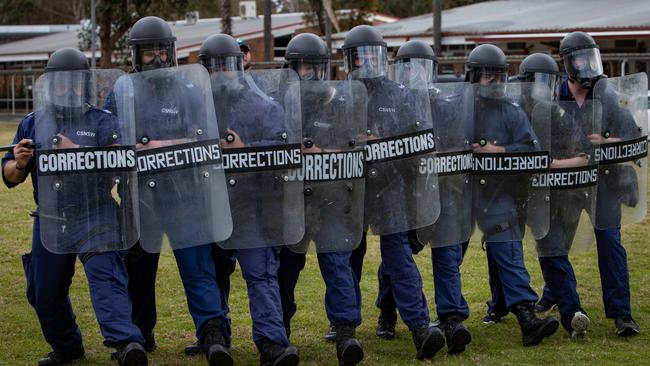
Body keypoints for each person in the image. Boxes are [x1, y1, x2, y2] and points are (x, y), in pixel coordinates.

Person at [2, 47, 148, 365]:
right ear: (49, 85)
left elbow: (121, 166)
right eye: (61, 82)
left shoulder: (103, 122)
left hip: (96, 212)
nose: (68, 89)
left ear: (84, 84)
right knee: (43, 292)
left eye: (75, 82)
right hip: (51, 216)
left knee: (105, 275)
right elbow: (10, 176)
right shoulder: (32, 123)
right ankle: (67, 347)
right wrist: (21, 162)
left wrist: (78, 150)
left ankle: (127, 344)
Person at [106, 16, 233, 366]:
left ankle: (212, 333)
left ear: (173, 51)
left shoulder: (190, 88)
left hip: (186, 196)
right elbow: (108, 135)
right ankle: (139, 333)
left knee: (197, 266)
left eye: (163, 50)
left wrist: (164, 143)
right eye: (149, 53)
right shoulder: (122, 90)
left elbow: (205, 135)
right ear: (136, 55)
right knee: (139, 269)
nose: (158, 58)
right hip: (140, 198)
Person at [343, 25, 445, 360]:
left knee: (399, 256)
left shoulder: (400, 95)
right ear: (348, 60)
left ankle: (419, 327)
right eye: (358, 56)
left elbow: (418, 141)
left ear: (381, 57)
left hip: (390, 186)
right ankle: (345, 327)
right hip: (353, 187)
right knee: (348, 258)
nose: (364, 63)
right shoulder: (342, 96)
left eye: (370, 55)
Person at [198, 33, 300, 366]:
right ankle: (215, 338)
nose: (220, 74)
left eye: (225, 66)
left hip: (250, 205)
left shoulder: (263, 106)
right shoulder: (195, 108)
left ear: (238, 66)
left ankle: (272, 344)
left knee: (260, 273)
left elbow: (282, 151)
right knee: (209, 273)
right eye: (213, 68)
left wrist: (244, 151)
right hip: (208, 204)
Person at [373, 40, 472, 354]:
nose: (416, 75)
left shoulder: (444, 102)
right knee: (399, 255)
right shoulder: (392, 99)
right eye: (409, 67)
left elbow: (458, 141)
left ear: (433, 70)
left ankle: (452, 317)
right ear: (399, 68)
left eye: (422, 67)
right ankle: (388, 312)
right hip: (397, 190)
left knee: (444, 253)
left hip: (437, 188)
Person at [276, 32, 365, 366]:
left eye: (311, 65)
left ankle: (345, 333)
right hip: (293, 200)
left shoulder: (341, 104)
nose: (305, 72)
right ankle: (279, 330)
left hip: (329, 198)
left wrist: (319, 151)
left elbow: (353, 150)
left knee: (338, 263)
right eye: (299, 66)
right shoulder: (279, 102)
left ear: (323, 67)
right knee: (285, 268)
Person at [467, 43, 559, 346]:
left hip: (497, 192)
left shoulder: (511, 111)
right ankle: (445, 316)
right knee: (447, 253)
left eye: (498, 76)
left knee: (507, 247)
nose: (493, 82)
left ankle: (526, 317)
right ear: (473, 76)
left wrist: (500, 150)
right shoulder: (457, 106)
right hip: (462, 190)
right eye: (487, 76)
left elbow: (532, 150)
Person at [558, 31, 641, 336]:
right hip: (566, 183)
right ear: (568, 63)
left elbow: (632, 133)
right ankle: (554, 296)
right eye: (579, 59)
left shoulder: (604, 94)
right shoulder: (556, 94)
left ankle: (622, 314)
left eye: (589, 57)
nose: (586, 65)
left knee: (610, 242)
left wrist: (606, 140)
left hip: (603, 183)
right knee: (556, 243)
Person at [519, 52, 594, 339]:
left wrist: (552, 165)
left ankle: (572, 314)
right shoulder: (514, 111)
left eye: (548, 82)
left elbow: (584, 155)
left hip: (560, 196)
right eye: (537, 82)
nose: (543, 89)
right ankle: (499, 305)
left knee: (553, 252)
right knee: (517, 251)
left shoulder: (557, 114)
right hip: (521, 196)